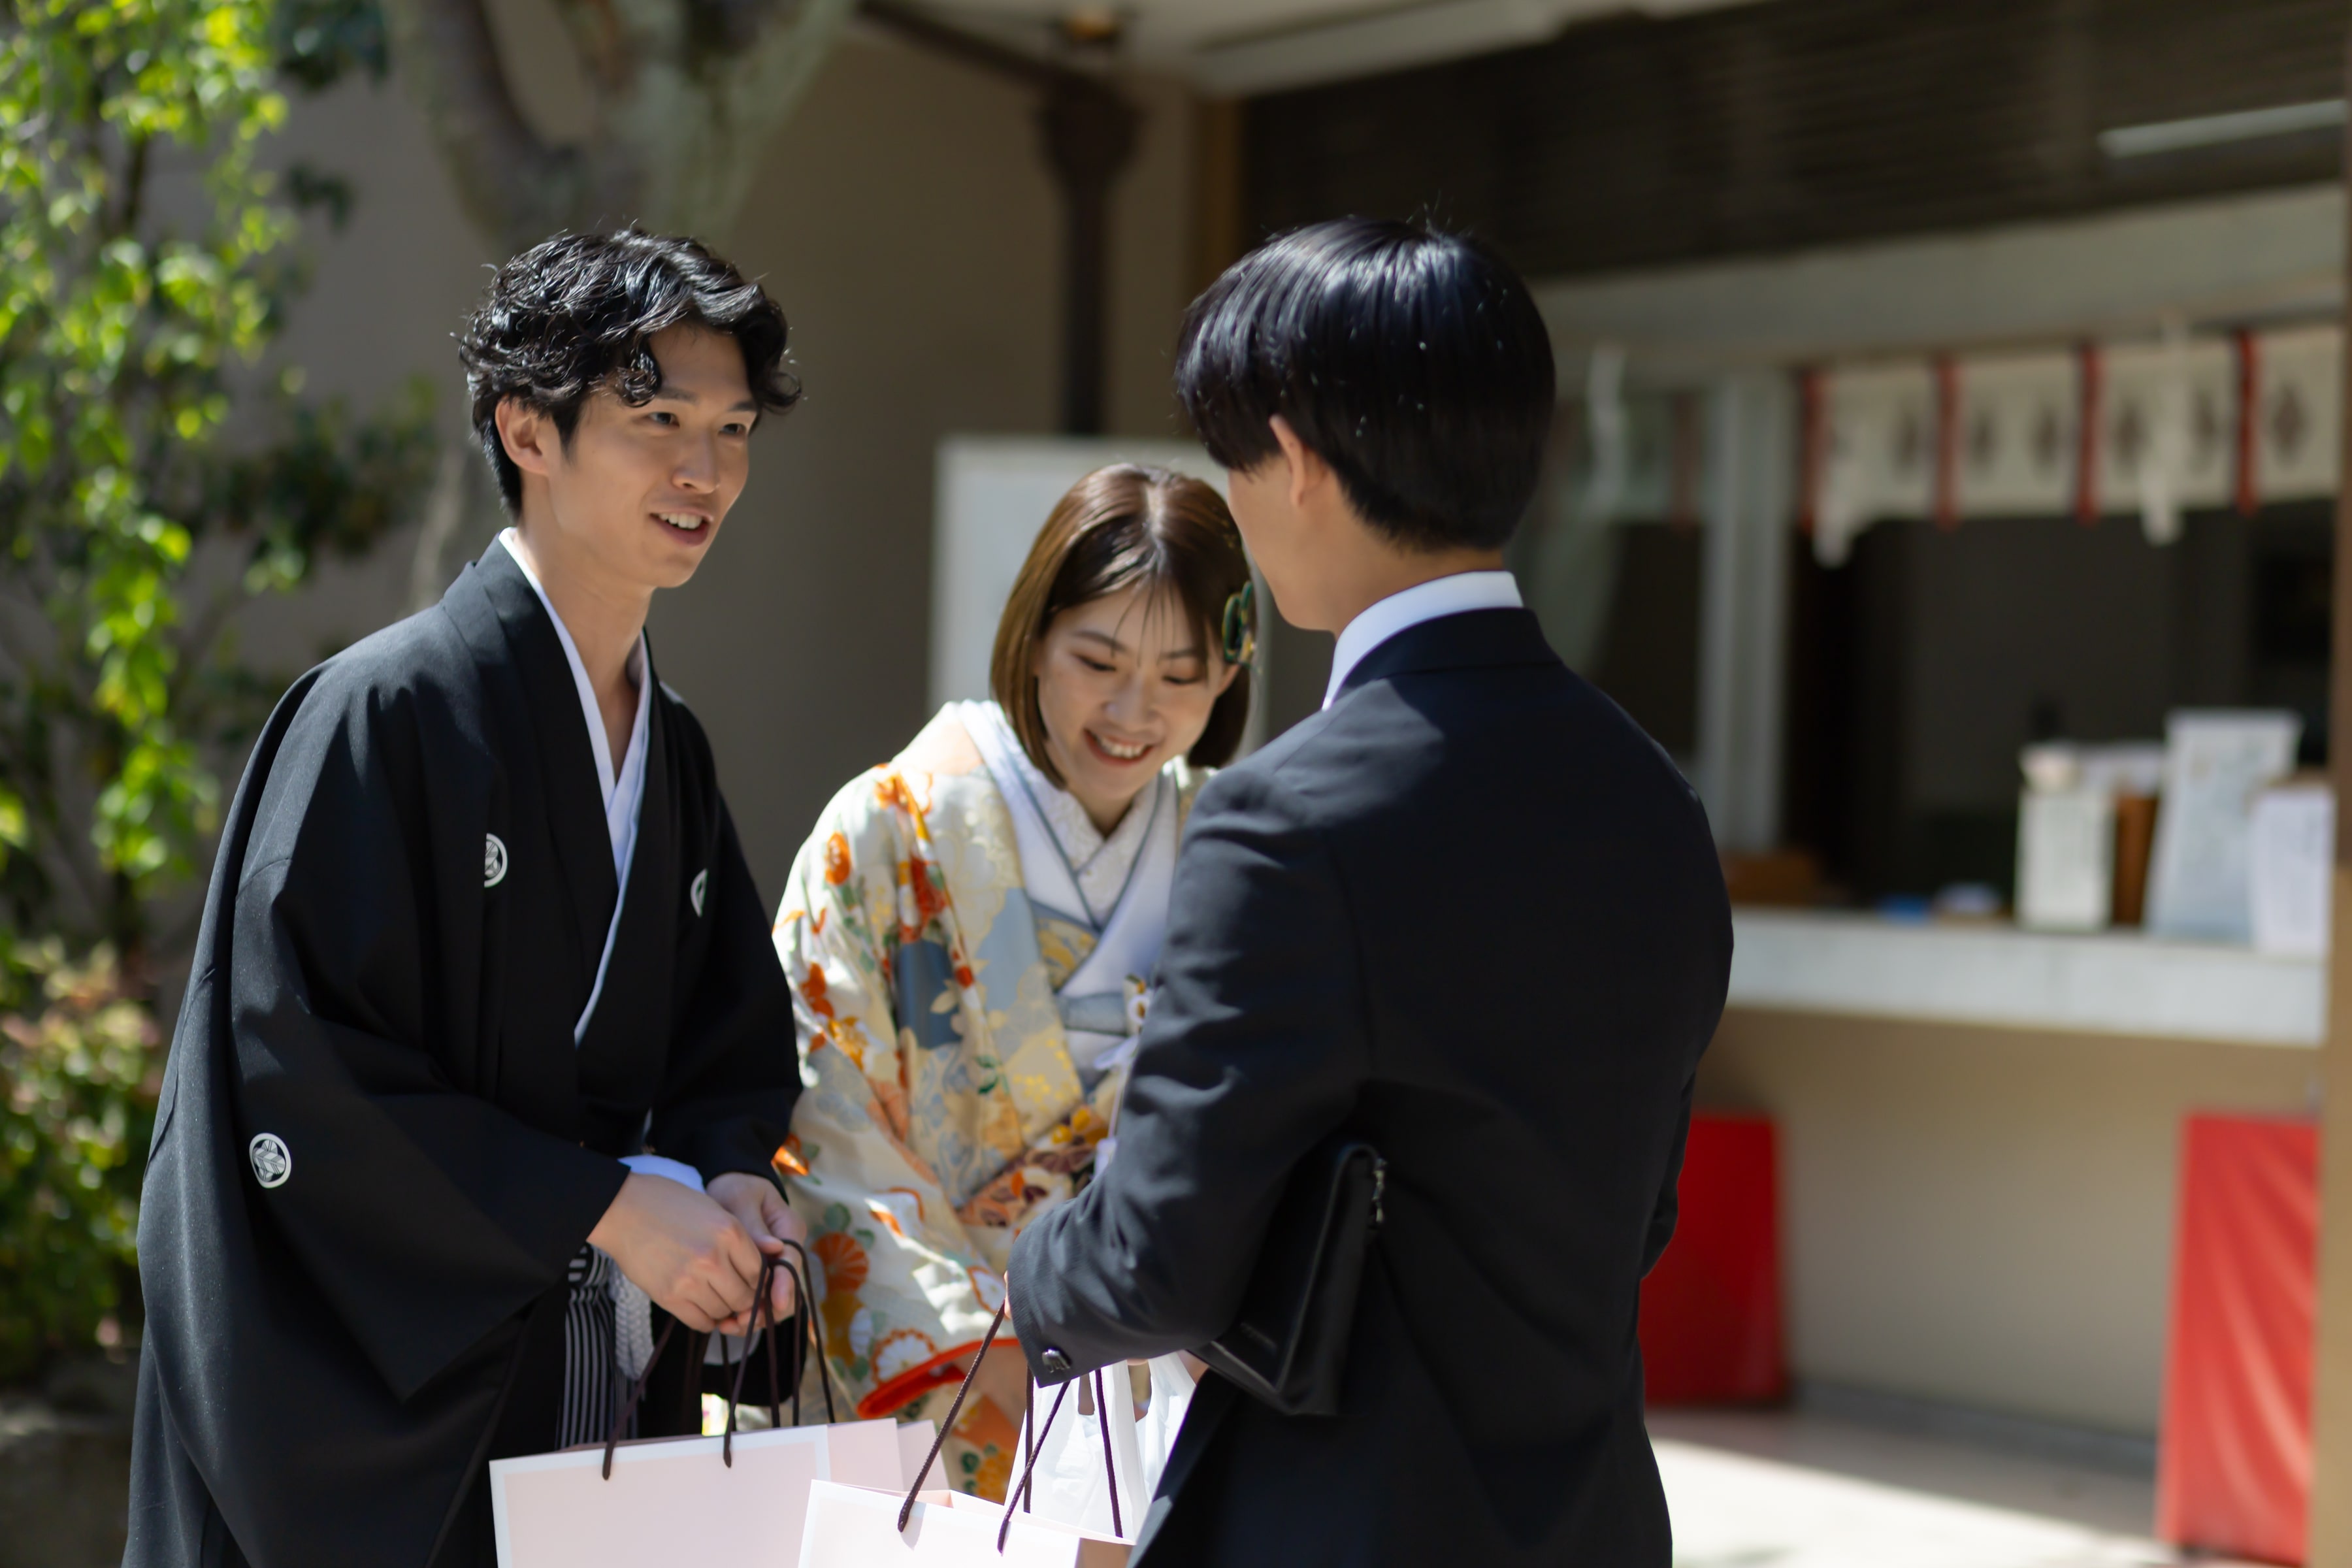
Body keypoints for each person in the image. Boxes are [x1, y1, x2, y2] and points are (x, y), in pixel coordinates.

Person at [1007, 218, 1733, 1563]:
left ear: (1293, 461)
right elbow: (1637, 1219)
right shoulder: (1655, 801)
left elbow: (1156, 1266)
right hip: (1591, 1521)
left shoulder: (1288, 820)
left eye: (1232, 460)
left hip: (1341, 1521)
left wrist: (1030, 1268)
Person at [126, 230, 808, 1568]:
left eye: (731, 430)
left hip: (584, 1398)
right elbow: (294, 1077)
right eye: (658, 421)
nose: (705, 470)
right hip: (382, 1425)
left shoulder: (669, 748)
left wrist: (731, 1179)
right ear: (526, 429)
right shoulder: (381, 712)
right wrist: (603, 1206)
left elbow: (723, 1039)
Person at [772, 464, 1252, 1500]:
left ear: (1228, 674)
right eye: (1098, 660)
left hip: (1160, 1389)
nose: (1134, 710)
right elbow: (826, 1124)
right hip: (951, 1389)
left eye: (1181, 674)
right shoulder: (886, 834)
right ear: (1034, 637)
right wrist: (991, 1354)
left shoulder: (1236, 851)